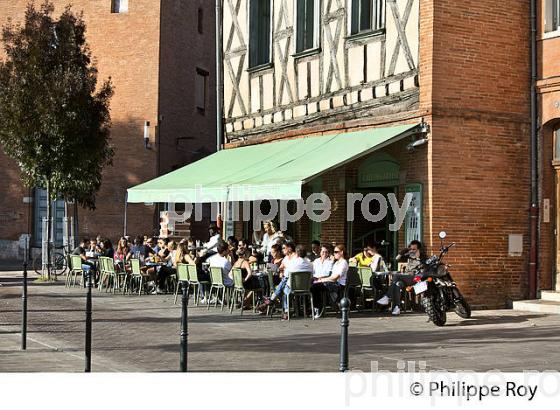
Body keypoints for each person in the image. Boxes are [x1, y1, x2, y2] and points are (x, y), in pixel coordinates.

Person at [258, 243, 312, 320]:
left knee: (285, 287)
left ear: (296, 253)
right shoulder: (310, 263)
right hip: (306, 288)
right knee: (285, 287)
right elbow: (312, 275)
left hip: (292, 287)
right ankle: (280, 306)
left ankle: (276, 302)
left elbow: (286, 275)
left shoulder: (294, 263)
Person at [377, 240, 426, 316]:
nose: (412, 251)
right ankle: (397, 308)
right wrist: (404, 251)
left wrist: (418, 256)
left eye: (414, 249)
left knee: (396, 276)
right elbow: (397, 259)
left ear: (419, 249)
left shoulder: (423, 256)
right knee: (397, 284)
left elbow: (424, 267)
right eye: (411, 249)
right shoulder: (409, 255)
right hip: (407, 277)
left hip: (416, 277)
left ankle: (387, 296)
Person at [311, 244, 349, 318]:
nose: (334, 253)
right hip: (332, 282)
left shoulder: (343, 263)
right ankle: (315, 307)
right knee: (312, 286)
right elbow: (331, 277)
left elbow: (335, 278)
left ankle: (319, 307)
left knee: (315, 287)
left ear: (341, 252)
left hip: (338, 284)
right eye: (334, 252)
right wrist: (321, 280)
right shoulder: (337, 262)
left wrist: (322, 280)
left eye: (336, 252)